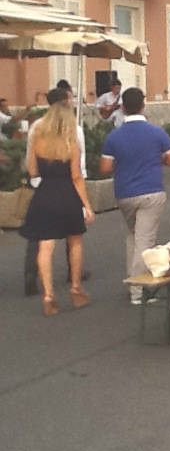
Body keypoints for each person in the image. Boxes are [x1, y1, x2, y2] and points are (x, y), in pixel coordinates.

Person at [99, 88, 170, 304]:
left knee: (133, 237)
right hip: (151, 190)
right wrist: (157, 159)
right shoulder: (156, 132)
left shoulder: (114, 136)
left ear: (123, 107)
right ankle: (139, 290)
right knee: (145, 240)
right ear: (143, 105)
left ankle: (132, 280)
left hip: (125, 193)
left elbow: (105, 167)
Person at [19, 91, 94, 316]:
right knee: (75, 243)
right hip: (67, 195)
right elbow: (76, 176)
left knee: (45, 246)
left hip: (45, 194)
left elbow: (32, 170)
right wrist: (87, 206)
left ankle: (49, 294)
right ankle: (75, 288)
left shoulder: (37, 141)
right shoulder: (71, 143)